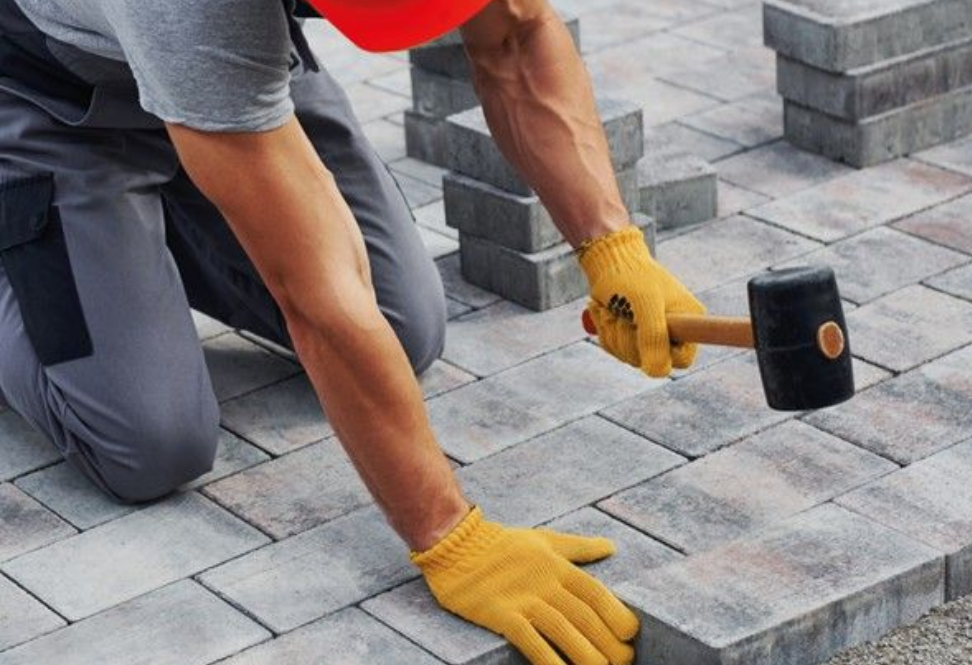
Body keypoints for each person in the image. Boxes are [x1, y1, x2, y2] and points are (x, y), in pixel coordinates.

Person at [0, 0, 705, 663]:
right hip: (51, 93)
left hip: (226, 64)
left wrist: (611, 247)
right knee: (149, 443)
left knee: (402, 329)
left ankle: (181, 192)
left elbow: (517, 36)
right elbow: (320, 302)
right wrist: (451, 536)